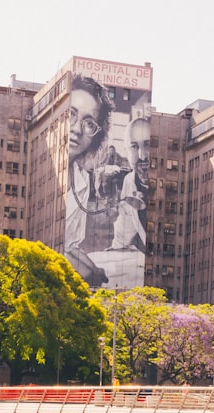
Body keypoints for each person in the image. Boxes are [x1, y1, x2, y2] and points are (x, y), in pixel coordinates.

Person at [63, 75, 117, 286]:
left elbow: (70, 246)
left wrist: (94, 270)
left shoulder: (82, 181)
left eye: (89, 123)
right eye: (72, 115)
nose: (77, 129)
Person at [111, 116, 151, 252]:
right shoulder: (129, 181)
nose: (142, 156)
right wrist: (116, 249)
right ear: (126, 151)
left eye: (148, 144)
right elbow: (125, 226)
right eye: (134, 146)